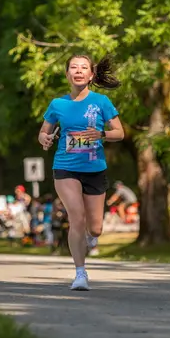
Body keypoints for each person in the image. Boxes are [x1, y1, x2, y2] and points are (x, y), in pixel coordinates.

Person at [38, 54, 124, 290]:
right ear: (67, 74)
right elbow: (43, 133)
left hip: (95, 169)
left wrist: (102, 134)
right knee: (77, 217)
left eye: (83, 67)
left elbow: (120, 132)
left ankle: (87, 241)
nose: (78, 71)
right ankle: (80, 273)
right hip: (65, 167)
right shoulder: (57, 104)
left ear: (91, 75)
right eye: (73, 67)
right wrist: (45, 138)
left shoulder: (102, 102)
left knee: (95, 228)